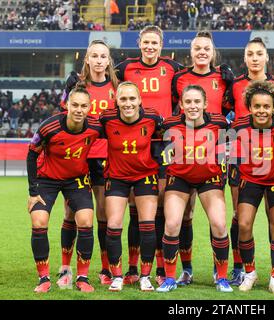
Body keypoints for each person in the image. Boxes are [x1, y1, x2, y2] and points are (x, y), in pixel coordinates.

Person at [115, 25, 183, 286]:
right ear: (139, 43)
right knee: (135, 207)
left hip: (163, 143)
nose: (150, 47)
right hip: (136, 141)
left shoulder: (173, 69)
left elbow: (188, 92)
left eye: (155, 43)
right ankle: (133, 267)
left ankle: (163, 267)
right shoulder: (125, 68)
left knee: (163, 206)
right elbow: (101, 80)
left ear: (161, 45)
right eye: (146, 43)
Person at [171, 30, 233, 286]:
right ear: (191, 52)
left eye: (206, 48)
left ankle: (225, 273)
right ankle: (186, 270)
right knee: (184, 216)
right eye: (197, 48)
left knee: (217, 219)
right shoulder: (179, 78)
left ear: (212, 52)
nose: (202, 52)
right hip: (184, 150)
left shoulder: (224, 77)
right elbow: (172, 108)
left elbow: (232, 110)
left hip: (213, 154)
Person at [27, 83, 102, 293]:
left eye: (83, 106)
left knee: (86, 220)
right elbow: (32, 153)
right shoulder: (48, 126)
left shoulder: (96, 127)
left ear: (90, 107)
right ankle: (43, 278)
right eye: (75, 105)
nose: (79, 109)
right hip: (47, 179)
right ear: (67, 105)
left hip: (76, 180)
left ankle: (82, 277)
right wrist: (33, 192)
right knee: (39, 221)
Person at [156, 85, 232, 293]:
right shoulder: (170, 124)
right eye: (188, 102)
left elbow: (234, 144)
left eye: (197, 102)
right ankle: (172, 277)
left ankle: (222, 277)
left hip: (209, 178)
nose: (192, 106)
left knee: (218, 224)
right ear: (180, 104)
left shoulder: (219, 122)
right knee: (172, 224)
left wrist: (227, 165)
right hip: (179, 178)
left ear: (205, 104)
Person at [57, 39, 119, 288]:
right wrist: (66, 89)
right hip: (78, 157)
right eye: (94, 56)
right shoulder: (77, 86)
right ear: (87, 59)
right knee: (71, 212)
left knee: (103, 213)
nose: (99, 60)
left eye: (103, 56)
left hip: (105, 157)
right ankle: (65, 269)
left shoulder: (116, 86)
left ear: (108, 60)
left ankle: (105, 269)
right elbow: (63, 114)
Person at [225, 37, 274, 286]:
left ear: (267, 57)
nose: (255, 58)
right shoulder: (235, 85)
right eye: (250, 54)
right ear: (245, 58)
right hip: (243, 160)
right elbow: (225, 115)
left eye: (259, 53)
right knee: (241, 219)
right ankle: (241, 268)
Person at [231, 80, 274, 294]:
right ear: (249, 107)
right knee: (243, 225)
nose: (261, 110)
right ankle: (250, 273)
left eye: (266, 106)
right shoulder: (238, 126)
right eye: (257, 106)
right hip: (250, 180)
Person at [100, 81, 162, 292]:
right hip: (117, 177)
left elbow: (171, 135)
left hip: (145, 175)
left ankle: (145, 276)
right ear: (116, 101)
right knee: (114, 224)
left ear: (140, 100)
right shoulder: (106, 119)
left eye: (132, 98)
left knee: (147, 224)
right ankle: (116, 276)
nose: (128, 103)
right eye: (123, 99)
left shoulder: (153, 118)